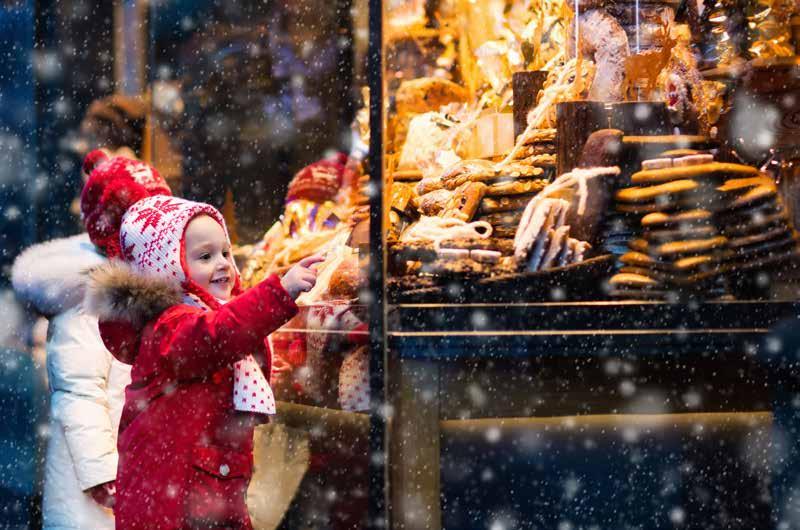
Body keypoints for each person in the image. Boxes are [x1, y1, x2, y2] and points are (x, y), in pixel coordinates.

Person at [85, 187, 322, 529]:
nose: (223, 263)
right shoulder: (170, 326)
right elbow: (218, 335)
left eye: (225, 252)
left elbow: (227, 343)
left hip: (204, 486)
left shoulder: (201, 318)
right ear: (169, 266)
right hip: (174, 499)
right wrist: (279, 292)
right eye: (205, 256)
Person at [10, 150, 171, 529]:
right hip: (95, 490)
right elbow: (78, 392)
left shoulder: (136, 289)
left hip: (132, 470)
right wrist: (102, 474)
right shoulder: (92, 296)